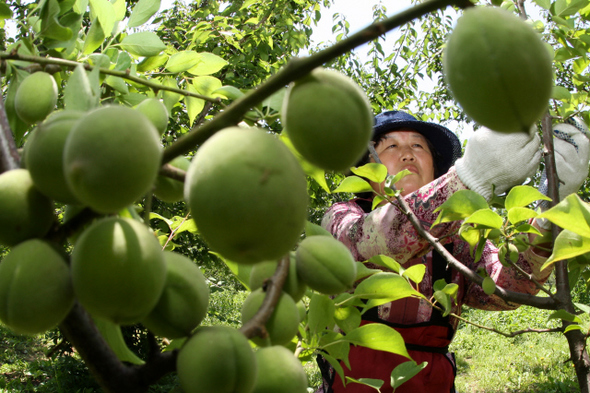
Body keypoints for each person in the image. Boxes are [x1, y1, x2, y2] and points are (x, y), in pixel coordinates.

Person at [315, 110, 590, 393]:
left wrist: (550, 215)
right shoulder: (342, 217)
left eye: (418, 146)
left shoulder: (456, 238)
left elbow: (503, 287)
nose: (407, 154)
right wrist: (469, 180)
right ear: (364, 169)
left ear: (436, 168)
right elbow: (375, 241)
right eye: (390, 146)